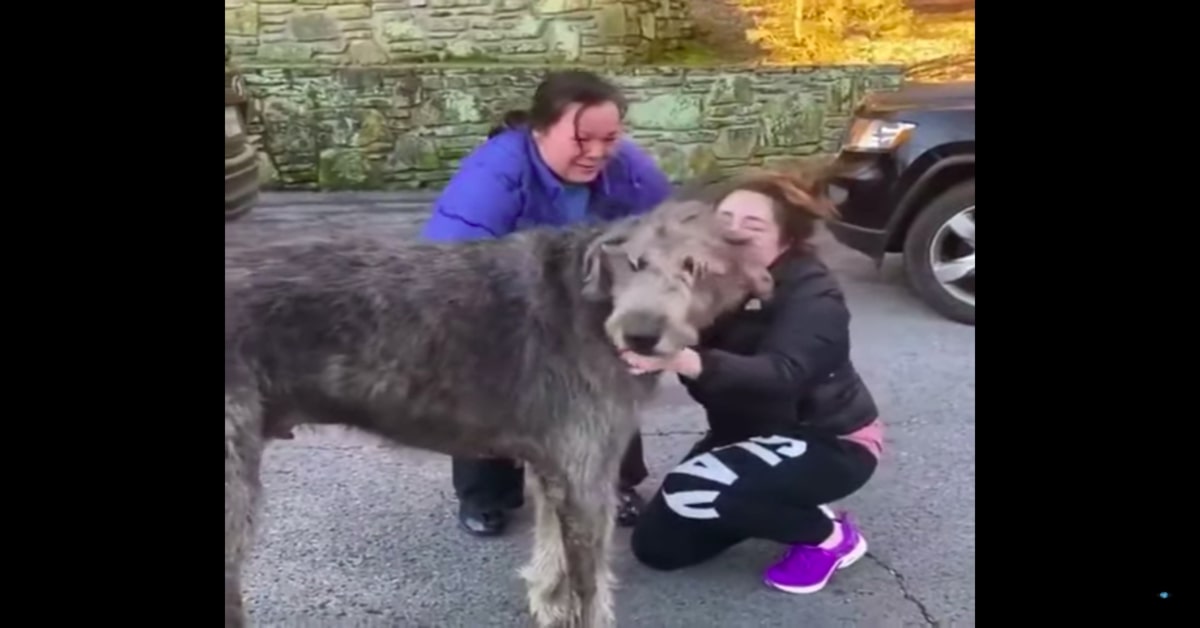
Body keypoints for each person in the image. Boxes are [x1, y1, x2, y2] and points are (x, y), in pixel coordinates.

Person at [419, 69, 675, 537]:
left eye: (610, 137)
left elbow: (670, 231)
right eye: (581, 139)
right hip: (499, 296)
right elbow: (446, 269)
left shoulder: (629, 166)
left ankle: (614, 481)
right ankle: (487, 494)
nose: (597, 152)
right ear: (539, 130)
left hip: (590, 293)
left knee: (613, 380)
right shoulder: (493, 175)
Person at [622, 169, 885, 595]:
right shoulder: (708, 278)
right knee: (658, 548)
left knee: (703, 490)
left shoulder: (815, 293)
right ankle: (769, 495)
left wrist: (686, 360)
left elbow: (782, 376)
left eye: (753, 225)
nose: (732, 232)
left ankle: (831, 538)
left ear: (786, 239)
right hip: (744, 433)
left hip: (827, 439)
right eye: (724, 218)